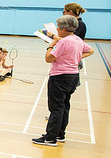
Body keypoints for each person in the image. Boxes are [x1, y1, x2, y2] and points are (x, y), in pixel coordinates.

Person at [33, 15, 94, 146]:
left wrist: (51, 45)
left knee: (56, 108)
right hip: (73, 76)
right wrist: (75, 57)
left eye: (58, 27)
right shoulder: (76, 39)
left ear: (64, 28)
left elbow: (49, 58)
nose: (57, 29)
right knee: (65, 106)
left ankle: (50, 138)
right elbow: (91, 50)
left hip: (60, 76)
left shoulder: (63, 42)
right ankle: (60, 134)